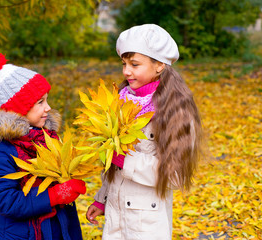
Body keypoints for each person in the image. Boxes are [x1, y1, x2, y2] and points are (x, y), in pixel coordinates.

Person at [86, 24, 203, 239]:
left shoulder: (173, 108)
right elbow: (112, 165)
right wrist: (101, 199)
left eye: (134, 64)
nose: (126, 71)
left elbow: (175, 175)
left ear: (159, 64)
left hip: (146, 224)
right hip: (115, 218)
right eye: (124, 63)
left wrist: (126, 160)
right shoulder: (121, 100)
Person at [0, 50, 86, 240]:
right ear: (18, 109)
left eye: (46, 100)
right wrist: (55, 195)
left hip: (58, 229)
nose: (48, 108)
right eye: (40, 102)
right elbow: (6, 201)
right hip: (24, 234)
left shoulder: (44, 136)